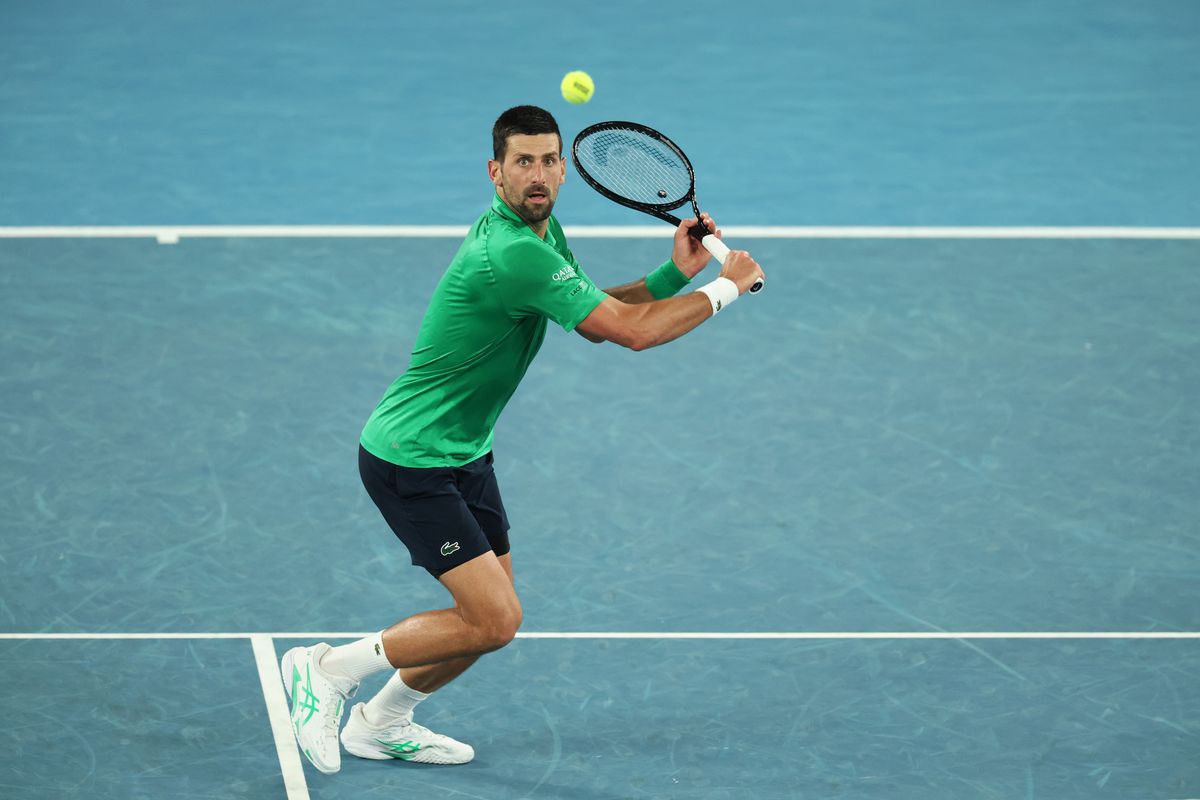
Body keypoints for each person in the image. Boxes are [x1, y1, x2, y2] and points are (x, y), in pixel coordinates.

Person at [281, 105, 764, 775]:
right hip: (410, 458)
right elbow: (632, 333)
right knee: (494, 619)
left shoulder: (540, 234)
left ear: (564, 170)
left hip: (465, 451)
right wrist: (725, 288)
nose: (537, 174)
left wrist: (673, 276)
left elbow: (593, 315)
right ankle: (327, 670)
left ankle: (380, 724)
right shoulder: (511, 252)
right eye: (522, 162)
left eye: (548, 161)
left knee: (486, 621)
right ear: (495, 171)